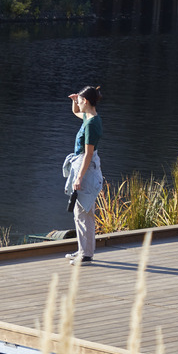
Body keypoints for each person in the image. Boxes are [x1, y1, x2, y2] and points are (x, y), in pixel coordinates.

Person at [61, 86, 103, 264]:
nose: (77, 103)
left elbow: (88, 154)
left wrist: (78, 178)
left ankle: (85, 255)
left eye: (79, 100)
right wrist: (73, 101)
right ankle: (85, 251)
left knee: (81, 213)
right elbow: (76, 112)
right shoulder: (91, 117)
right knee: (86, 213)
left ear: (86, 101)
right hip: (87, 167)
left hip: (85, 169)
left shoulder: (92, 124)